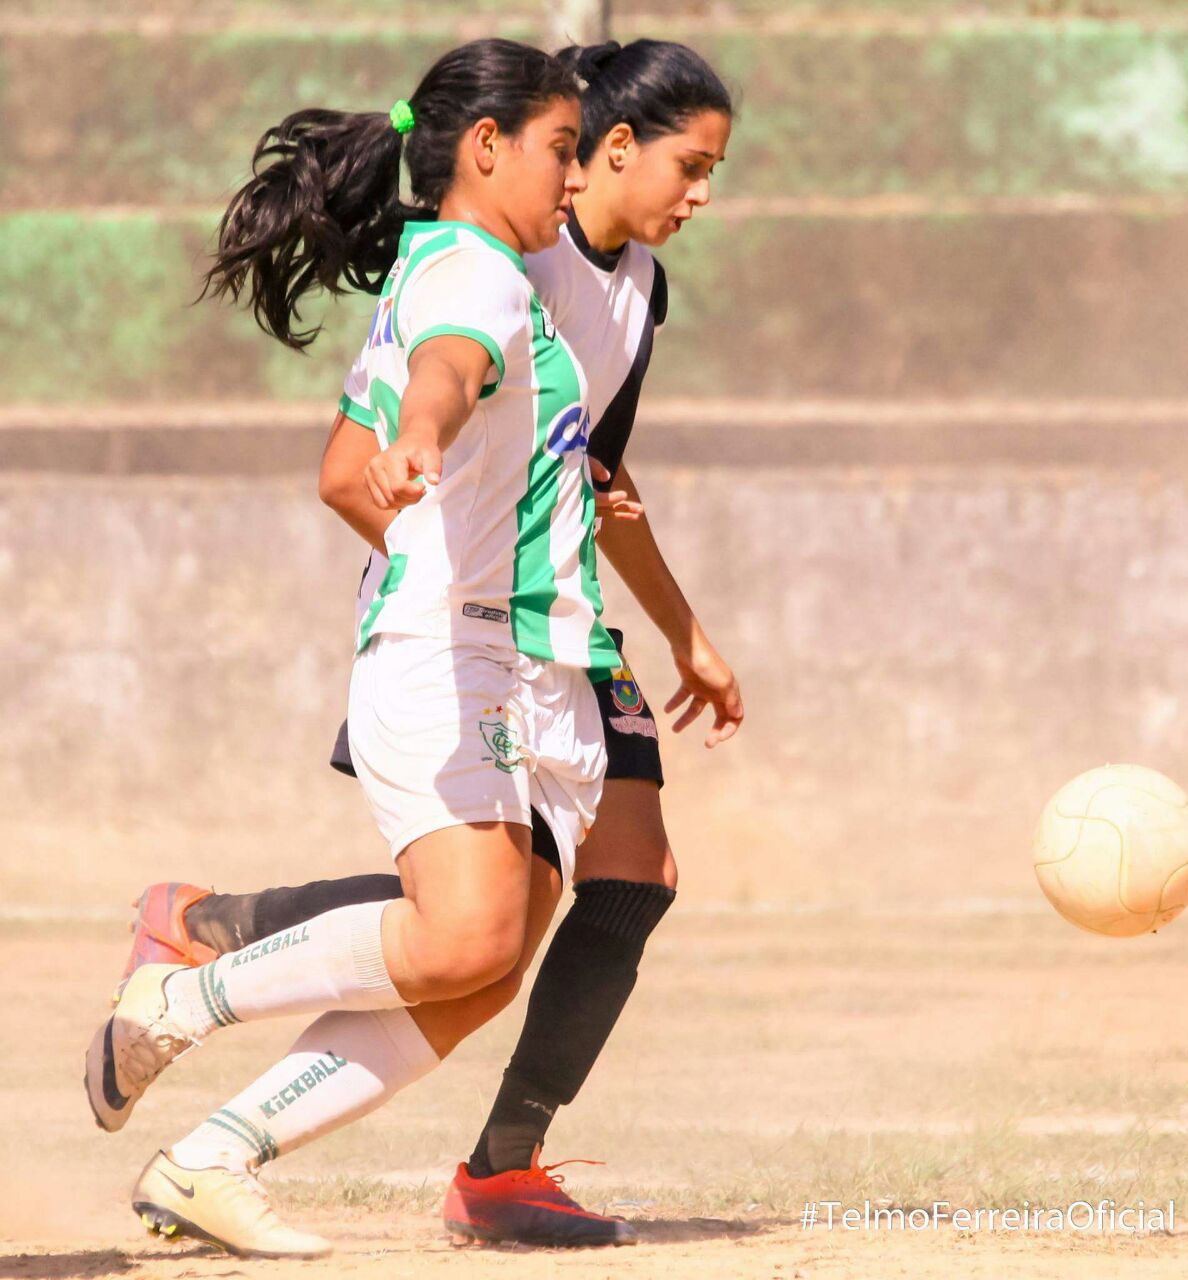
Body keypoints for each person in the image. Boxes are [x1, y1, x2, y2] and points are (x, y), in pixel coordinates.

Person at [94, 38, 742, 1255]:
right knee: (481, 931)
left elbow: (555, 474)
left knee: (487, 955)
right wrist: (434, 511)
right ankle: (201, 979)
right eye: (565, 148)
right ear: (515, 147)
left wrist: (669, 626)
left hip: (541, 640)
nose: (698, 192)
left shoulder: (558, 274)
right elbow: (437, 379)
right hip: (467, 644)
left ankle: (215, 1148)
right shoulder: (492, 266)